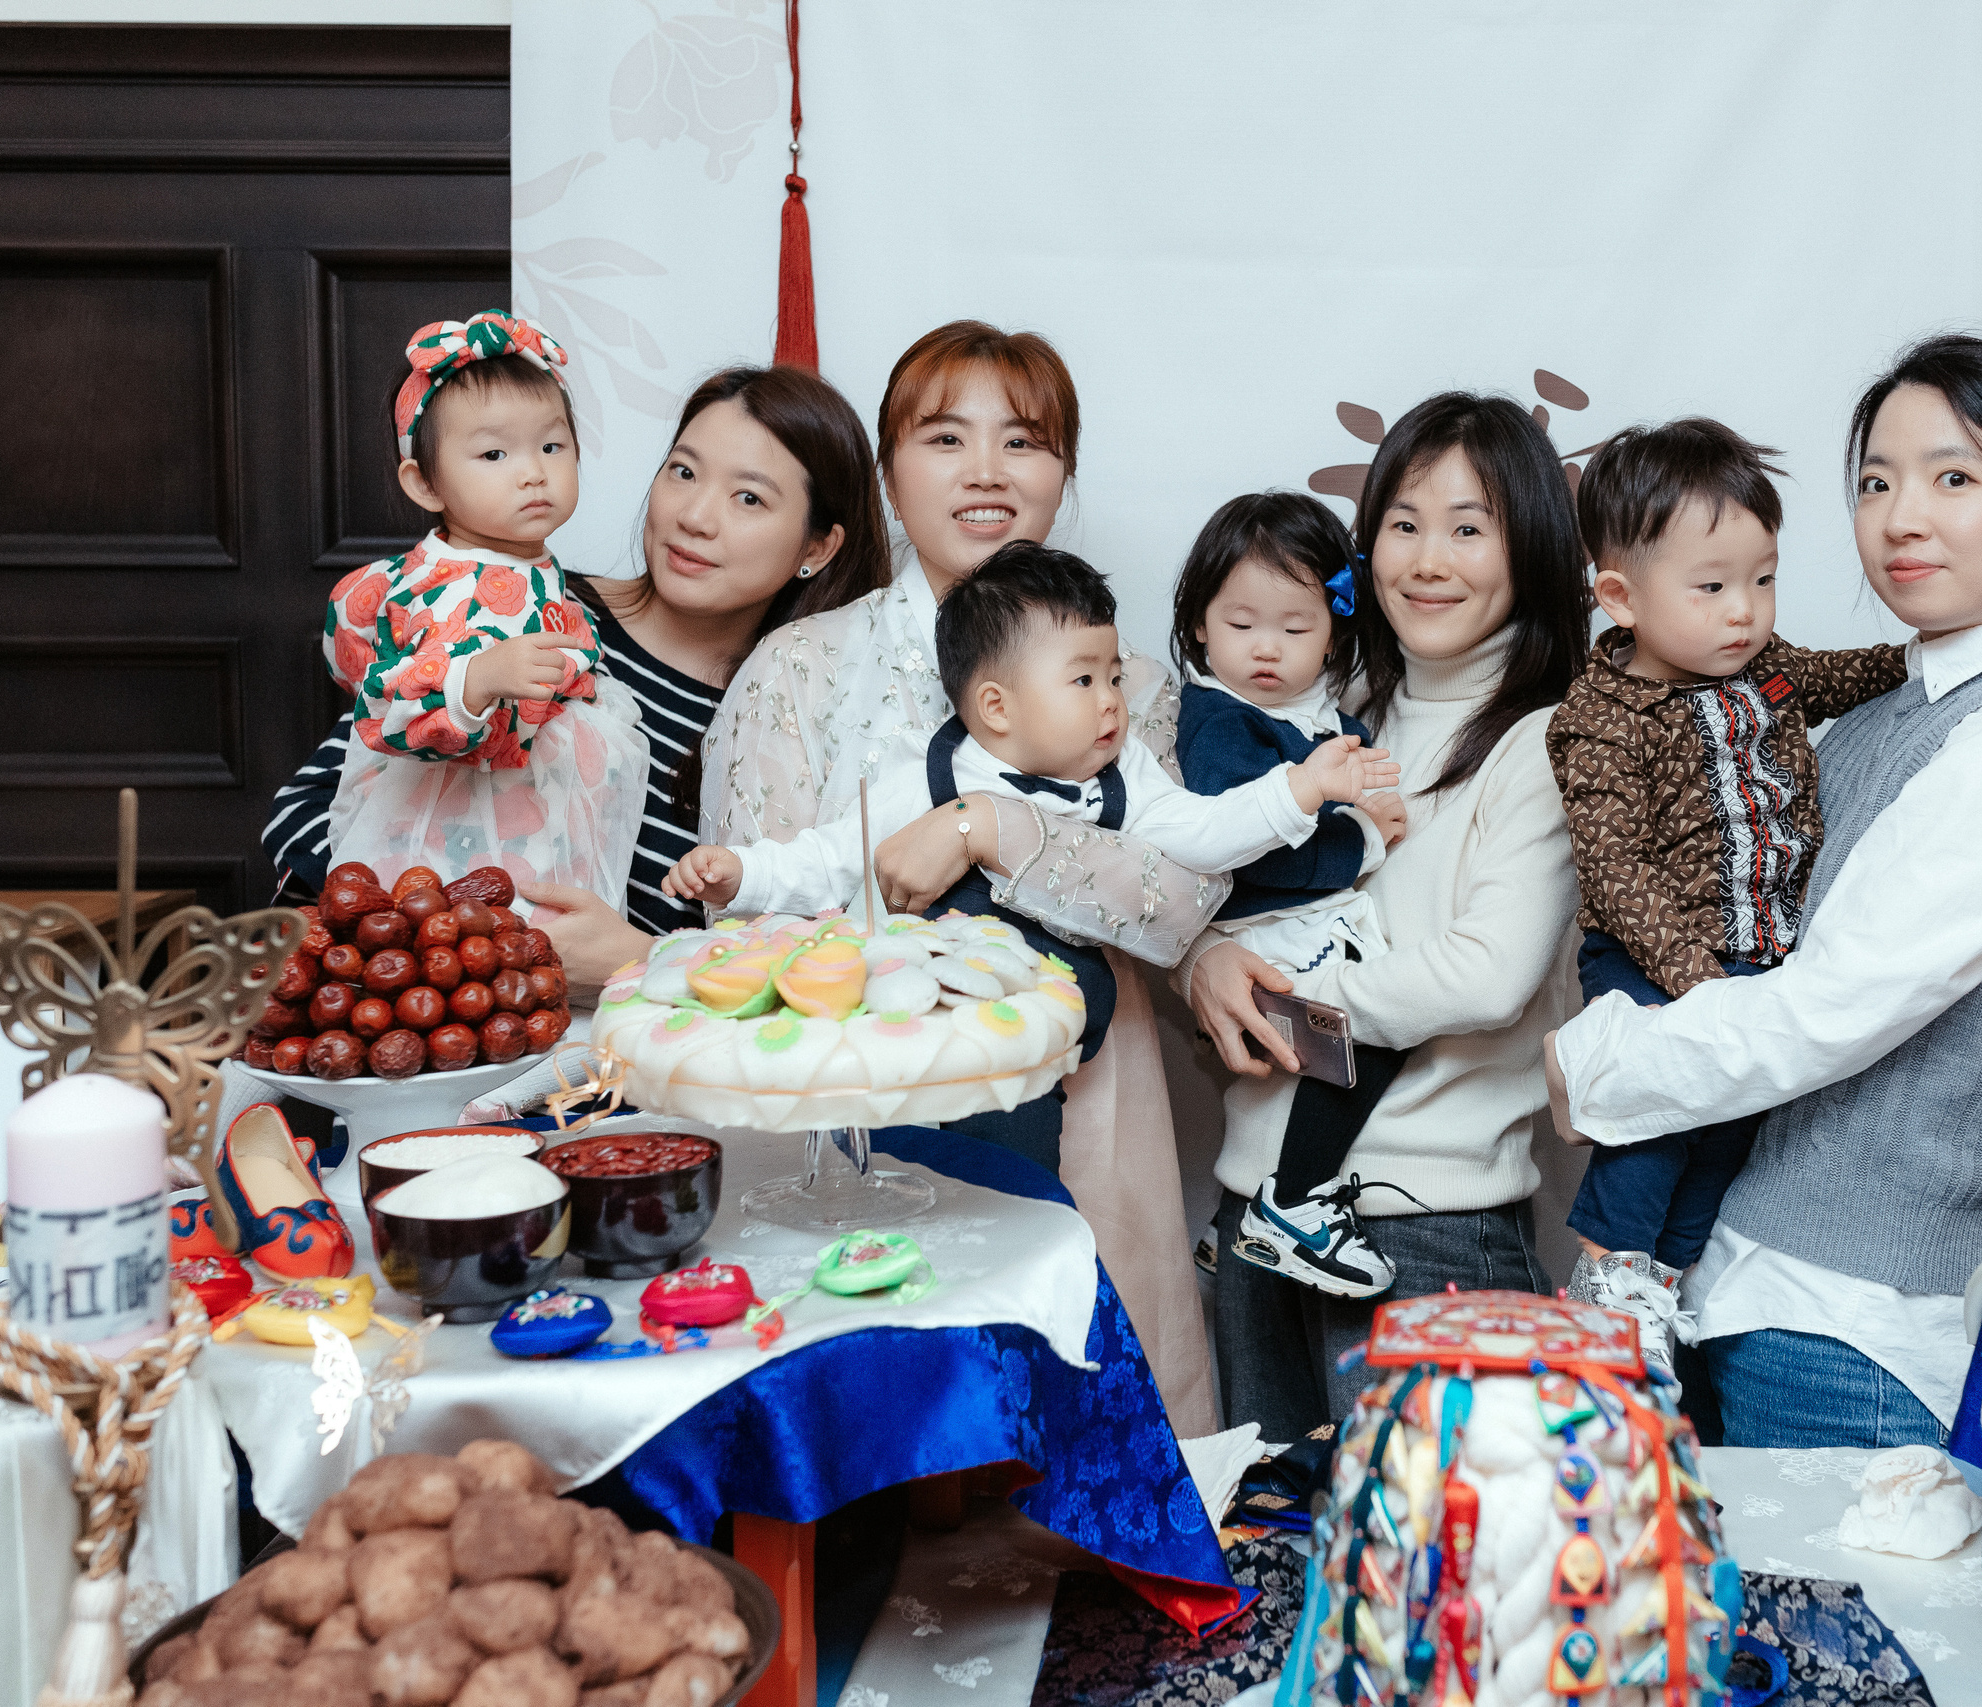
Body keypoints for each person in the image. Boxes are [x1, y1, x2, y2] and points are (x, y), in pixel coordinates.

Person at [1544, 335, 1982, 1450]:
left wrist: (1592, 1062)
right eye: (1875, 482)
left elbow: (1828, 1007)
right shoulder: (1889, 706)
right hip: (1742, 1282)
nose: (1901, 516)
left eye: (1953, 478)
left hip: (1845, 1323)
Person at [693, 320, 1226, 1434]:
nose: (986, 471)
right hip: (843, 1100)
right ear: (889, 468)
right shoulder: (799, 667)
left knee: (1078, 1449)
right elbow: (735, 937)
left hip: (1086, 1085)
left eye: (1023, 442)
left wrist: (989, 824)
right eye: (945, 437)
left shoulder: (1125, 677)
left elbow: (1176, 900)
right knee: (873, 1432)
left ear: (1062, 473)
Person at [670, 541, 1395, 1172]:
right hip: (917, 1012)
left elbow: (1204, 834)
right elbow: (830, 857)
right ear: (996, 707)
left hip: (1036, 1022)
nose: (1113, 699)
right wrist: (742, 873)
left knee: (1009, 1158)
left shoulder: (1128, 774)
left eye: (1113, 675)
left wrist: (1300, 789)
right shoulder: (934, 774)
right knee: (897, 1131)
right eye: (1084, 680)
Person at [1185, 392, 1589, 1438]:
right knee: (1276, 1577)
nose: (1427, 559)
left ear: (1533, 549)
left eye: (1468, 527)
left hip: (1424, 1233)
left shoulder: (1543, 742)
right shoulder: (1332, 726)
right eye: (1403, 524)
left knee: (1441, 1587)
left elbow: (1486, 976)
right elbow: (1244, 902)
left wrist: (1285, 1003)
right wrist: (1205, 966)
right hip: (1256, 1215)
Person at [267, 364, 892, 976]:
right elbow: (309, 806)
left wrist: (640, 958)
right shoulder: (527, 609)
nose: (695, 516)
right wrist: (429, 937)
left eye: (748, 497)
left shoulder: (782, 726)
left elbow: (809, 961)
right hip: (412, 1000)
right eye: (683, 471)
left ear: (817, 546)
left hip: (592, 1055)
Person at [1546, 418, 1905, 1392]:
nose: (1742, 611)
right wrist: (1700, 989)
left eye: (1762, 578)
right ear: (1619, 595)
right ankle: (1610, 1282)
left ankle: (1664, 1285)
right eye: (1709, 587)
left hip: (1758, 954)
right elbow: (1616, 870)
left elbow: (1829, 675)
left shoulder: (1766, 669)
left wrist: (1908, 662)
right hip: (1654, 957)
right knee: (1658, 1122)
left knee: (1727, 1131)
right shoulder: (1600, 720)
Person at [1168, 493, 1417, 1299]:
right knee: (1366, 1042)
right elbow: (1251, 864)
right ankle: (1292, 1202)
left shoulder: (1331, 717)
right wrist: (1365, 839)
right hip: (1263, 937)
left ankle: (1229, 1225)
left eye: (1296, 627)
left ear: (1336, 630)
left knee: (1365, 1040)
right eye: (1241, 626)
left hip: (1312, 930)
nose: (1267, 649)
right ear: (1199, 624)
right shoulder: (1217, 721)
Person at [320, 312, 650, 902]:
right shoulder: (444, 586)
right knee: (453, 950)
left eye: (552, 446)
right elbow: (391, 701)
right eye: (494, 455)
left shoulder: (526, 563)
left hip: (525, 814)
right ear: (426, 485)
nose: (532, 473)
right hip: (447, 830)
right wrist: (479, 678)